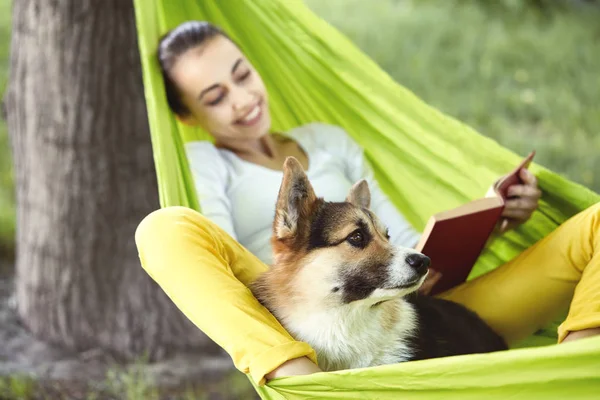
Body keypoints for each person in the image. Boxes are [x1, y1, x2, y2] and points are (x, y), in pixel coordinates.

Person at [134, 21, 600, 386]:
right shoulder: (205, 163)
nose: (243, 100)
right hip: (301, 318)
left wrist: (495, 216)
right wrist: (305, 273)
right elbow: (221, 271)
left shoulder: (328, 140)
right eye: (215, 97)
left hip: (422, 304)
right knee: (163, 228)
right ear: (186, 114)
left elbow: (400, 240)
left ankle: (570, 373)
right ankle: (301, 378)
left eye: (242, 75)